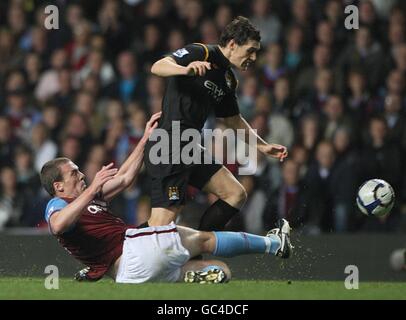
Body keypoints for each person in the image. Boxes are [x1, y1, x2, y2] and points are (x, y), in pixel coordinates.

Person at [40, 113, 293, 284]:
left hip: (129, 274)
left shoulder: (89, 198)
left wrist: (144, 139)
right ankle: (273, 244)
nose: (81, 174)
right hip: (133, 250)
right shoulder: (58, 204)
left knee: (221, 271)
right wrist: (93, 186)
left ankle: (197, 278)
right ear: (58, 186)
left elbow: (126, 177)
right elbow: (59, 225)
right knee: (203, 240)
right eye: (74, 173)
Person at [145, 16, 288, 232]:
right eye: (250, 50)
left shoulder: (229, 79)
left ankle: (199, 246)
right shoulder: (201, 52)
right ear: (232, 44)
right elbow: (158, 66)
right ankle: (112, 255)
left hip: (191, 146)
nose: (254, 57)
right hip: (169, 143)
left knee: (235, 194)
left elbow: (233, 120)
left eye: (256, 51)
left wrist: (261, 145)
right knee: (160, 227)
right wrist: (186, 70)